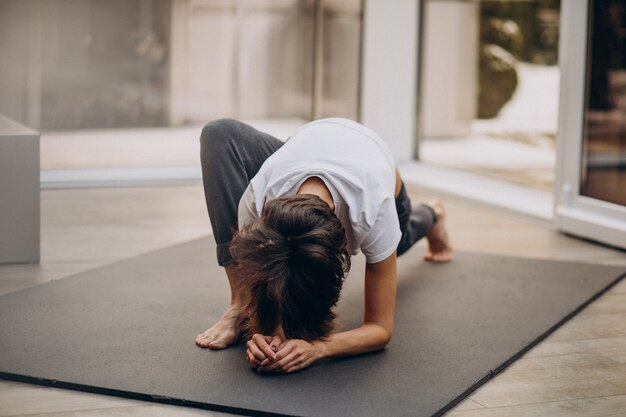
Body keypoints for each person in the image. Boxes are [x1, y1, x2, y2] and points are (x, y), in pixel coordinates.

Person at [195, 118, 452, 373]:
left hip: (371, 161)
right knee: (219, 134)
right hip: (300, 153)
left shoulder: (373, 209)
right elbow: (265, 271)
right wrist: (262, 332)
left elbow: (380, 329)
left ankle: (433, 214)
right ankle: (237, 307)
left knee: (401, 242)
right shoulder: (258, 196)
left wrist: (318, 348)